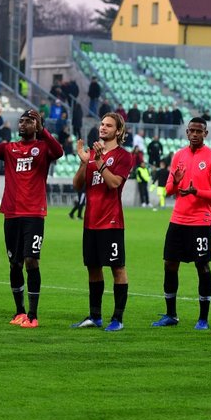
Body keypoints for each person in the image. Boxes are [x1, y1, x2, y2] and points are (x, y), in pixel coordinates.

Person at [0, 105, 63, 328]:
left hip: (34, 213)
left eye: (28, 121)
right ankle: (19, 312)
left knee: (31, 260)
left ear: (36, 125)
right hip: (11, 213)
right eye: (21, 121)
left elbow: (60, 152)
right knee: (14, 263)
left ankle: (33, 316)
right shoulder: (9, 148)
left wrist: (44, 130)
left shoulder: (43, 147)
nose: (22, 124)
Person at [152, 118, 211, 330]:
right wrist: (176, 180)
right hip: (178, 220)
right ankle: (171, 314)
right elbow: (169, 190)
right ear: (186, 132)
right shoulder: (179, 156)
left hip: (200, 221)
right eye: (191, 130)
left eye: (198, 131)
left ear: (205, 133)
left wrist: (196, 192)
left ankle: (203, 318)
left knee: (202, 266)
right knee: (170, 264)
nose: (194, 134)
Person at [70, 113, 134, 331]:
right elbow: (78, 185)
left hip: (112, 222)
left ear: (118, 131)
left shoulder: (124, 156)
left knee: (117, 268)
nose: (103, 128)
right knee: (93, 268)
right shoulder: (91, 154)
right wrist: (84, 163)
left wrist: (98, 162)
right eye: (102, 124)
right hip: (91, 222)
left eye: (109, 125)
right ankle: (95, 316)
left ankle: (117, 318)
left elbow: (114, 183)